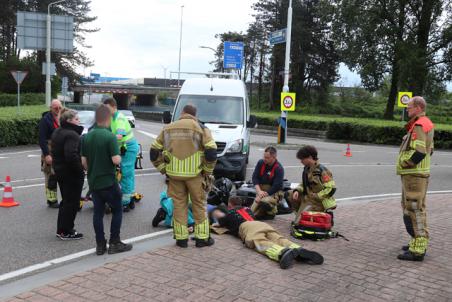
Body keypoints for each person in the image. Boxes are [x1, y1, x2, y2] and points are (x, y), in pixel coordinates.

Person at [150, 104, 217, 248]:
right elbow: (211, 153)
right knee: (199, 205)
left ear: (182, 113)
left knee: (179, 206)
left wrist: (163, 169)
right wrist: (207, 171)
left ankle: (181, 239)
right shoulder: (202, 128)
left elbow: (153, 152)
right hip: (195, 175)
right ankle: (202, 239)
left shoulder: (168, 128)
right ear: (195, 115)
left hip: (174, 176)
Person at [211, 196, 324, 269]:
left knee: (258, 241)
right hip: (261, 224)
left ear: (230, 205)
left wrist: (216, 218)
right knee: (278, 238)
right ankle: (298, 248)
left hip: (247, 227)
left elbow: (219, 221)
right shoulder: (248, 210)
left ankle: (281, 253)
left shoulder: (230, 214)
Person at [81, 105, 133, 255]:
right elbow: (116, 160)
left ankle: (100, 245)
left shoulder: (87, 137)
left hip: (94, 182)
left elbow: (84, 162)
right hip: (109, 182)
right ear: (107, 118)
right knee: (117, 210)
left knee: (98, 213)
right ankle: (115, 242)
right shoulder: (109, 136)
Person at [396, 96, 434, 262]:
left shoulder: (419, 125)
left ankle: (418, 249)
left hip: (414, 175)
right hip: (416, 175)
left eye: (409, 107)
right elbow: (430, 149)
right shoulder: (424, 123)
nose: (407, 110)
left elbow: (420, 151)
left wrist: (407, 164)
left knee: (414, 209)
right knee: (412, 207)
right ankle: (416, 242)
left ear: (418, 107)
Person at [51, 109, 84, 240]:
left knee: (66, 202)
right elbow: (71, 155)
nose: (79, 120)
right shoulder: (72, 134)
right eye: (76, 119)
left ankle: (61, 229)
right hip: (71, 174)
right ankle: (67, 231)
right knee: (72, 203)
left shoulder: (57, 131)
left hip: (60, 171)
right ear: (69, 120)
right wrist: (80, 170)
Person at [103, 98, 140, 212]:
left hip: (128, 148)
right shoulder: (111, 118)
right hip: (124, 148)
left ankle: (125, 202)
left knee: (125, 174)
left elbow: (119, 136)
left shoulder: (119, 118)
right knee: (127, 174)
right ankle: (130, 196)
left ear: (114, 107)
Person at [288, 145, 336, 224]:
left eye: (302, 159)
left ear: (310, 157)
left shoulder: (322, 171)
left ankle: (325, 214)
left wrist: (317, 196)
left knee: (298, 223)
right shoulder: (307, 169)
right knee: (289, 194)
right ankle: (301, 214)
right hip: (308, 199)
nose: (301, 161)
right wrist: (297, 190)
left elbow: (331, 189)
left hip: (318, 202)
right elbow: (304, 183)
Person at [38, 99, 62, 208]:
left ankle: (63, 198)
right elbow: (41, 139)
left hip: (60, 151)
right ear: (51, 108)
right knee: (50, 176)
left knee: (60, 175)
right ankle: (51, 200)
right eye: (55, 108)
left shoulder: (63, 117)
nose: (58, 110)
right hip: (49, 151)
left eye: (59, 108)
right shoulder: (45, 120)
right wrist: (47, 154)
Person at [250, 146, 284, 220]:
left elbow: (276, 186)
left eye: (267, 158)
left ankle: (272, 211)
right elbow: (254, 178)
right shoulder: (260, 163)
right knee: (252, 213)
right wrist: (259, 191)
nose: (264, 159)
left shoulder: (279, 168)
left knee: (264, 201)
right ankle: (261, 212)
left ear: (274, 157)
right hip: (261, 191)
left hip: (272, 193)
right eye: (264, 157)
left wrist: (261, 196)